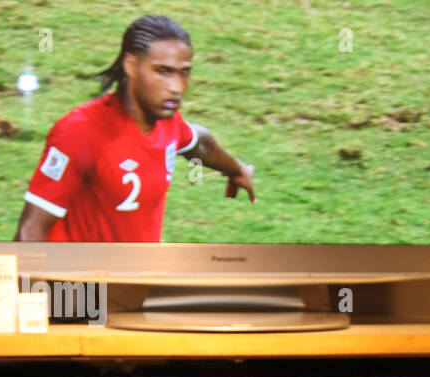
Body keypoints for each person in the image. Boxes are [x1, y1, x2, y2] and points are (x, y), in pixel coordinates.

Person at [14, 15, 255, 242]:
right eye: (163, 72)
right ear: (131, 64)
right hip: (81, 284)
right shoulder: (80, 132)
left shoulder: (167, 121)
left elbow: (199, 144)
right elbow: (30, 232)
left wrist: (237, 169)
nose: (177, 87)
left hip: (136, 280)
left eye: (184, 73)